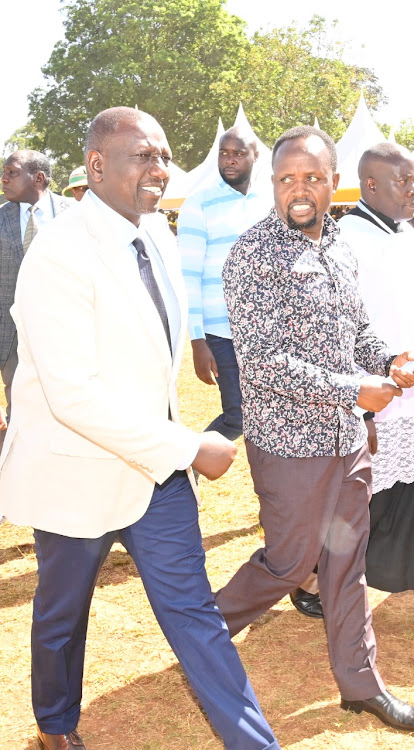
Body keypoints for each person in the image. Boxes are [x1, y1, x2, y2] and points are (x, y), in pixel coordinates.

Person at [0, 107, 279, 750]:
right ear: (96, 167)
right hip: (78, 467)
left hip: (155, 473)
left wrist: (172, 447)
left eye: (164, 155)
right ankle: (56, 725)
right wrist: (189, 446)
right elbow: (73, 396)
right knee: (63, 616)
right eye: (143, 156)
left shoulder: (156, 233)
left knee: (195, 618)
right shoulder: (60, 252)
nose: (161, 169)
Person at [217, 126, 414, 732]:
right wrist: (353, 391)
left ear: (333, 182)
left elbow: (355, 334)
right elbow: (264, 362)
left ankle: (360, 685)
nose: (300, 190)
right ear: (273, 184)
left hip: (345, 438)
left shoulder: (339, 246)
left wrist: (389, 361)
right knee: (290, 563)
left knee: (346, 562)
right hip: (289, 443)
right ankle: (201, 631)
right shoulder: (254, 256)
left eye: (313, 177)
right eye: (287, 179)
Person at [293, 143, 414, 642]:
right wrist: (357, 405)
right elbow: (334, 330)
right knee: (361, 501)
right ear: (372, 185)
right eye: (404, 181)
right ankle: (312, 577)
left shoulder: (408, 235)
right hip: (376, 399)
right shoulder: (345, 241)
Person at [178, 126, 271, 441]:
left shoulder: (270, 204)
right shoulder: (198, 203)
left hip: (266, 332)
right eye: (224, 153)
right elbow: (187, 275)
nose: (230, 160)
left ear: (255, 157)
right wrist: (197, 340)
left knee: (268, 413)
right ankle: (186, 470)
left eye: (239, 153)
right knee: (238, 417)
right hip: (221, 334)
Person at [0, 150, 72, 449]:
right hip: (12, 338)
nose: (4, 178)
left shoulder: (76, 215)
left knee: (69, 409)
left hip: (66, 332)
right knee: (20, 410)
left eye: (12, 172)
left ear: (39, 178)